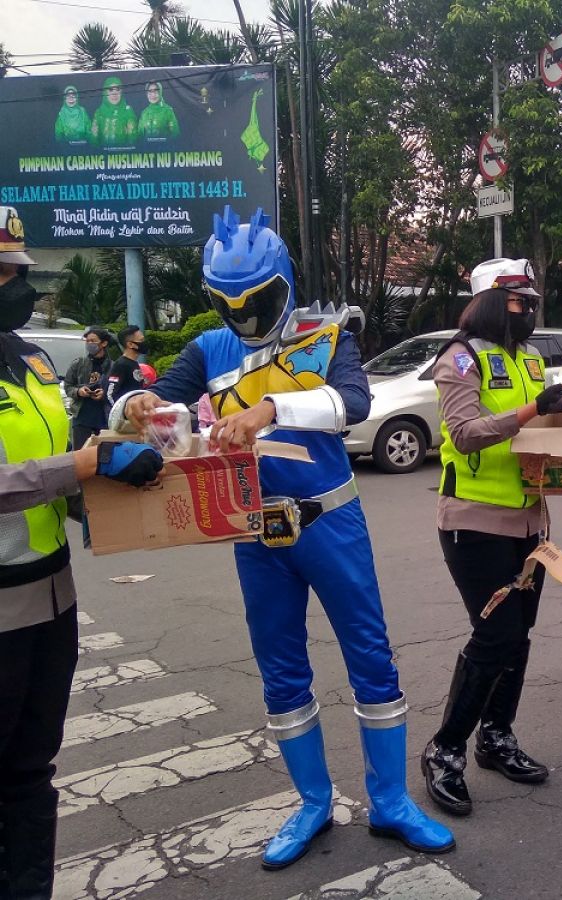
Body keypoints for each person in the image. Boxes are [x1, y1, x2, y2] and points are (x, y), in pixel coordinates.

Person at [113, 206, 454, 868]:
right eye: (229, 302)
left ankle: (390, 802)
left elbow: (353, 403)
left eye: (255, 299)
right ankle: (312, 802)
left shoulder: (325, 336)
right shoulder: (209, 349)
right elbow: (164, 407)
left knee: (370, 657)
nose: (243, 314)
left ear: (283, 284)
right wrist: (135, 405)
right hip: (256, 530)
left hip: (330, 520)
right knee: (280, 667)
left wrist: (269, 409)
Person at [0, 206, 163, 899]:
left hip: (52, 599)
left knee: (31, 773)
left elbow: (59, 456)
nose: (18, 285)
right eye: (4, 273)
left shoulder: (29, 358)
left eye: (18, 270)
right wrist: (84, 466)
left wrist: (120, 459)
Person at [422, 258, 562, 816]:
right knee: (496, 635)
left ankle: (496, 736)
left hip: (531, 520)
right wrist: (534, 408)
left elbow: (541, 434)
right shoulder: (460, 357)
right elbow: (465, 434)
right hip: (475, 520)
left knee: (519, 636)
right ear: (489, 301)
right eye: (518, 302)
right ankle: (445, 750)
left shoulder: (530, 358)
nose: (528, 311)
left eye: (532, 302)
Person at [63, 327, 112, 450]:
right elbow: (68, 386)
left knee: (103, 453)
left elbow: (117, 391)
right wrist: (78, 391)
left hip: (104, 418)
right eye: (87, 341)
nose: (90, 344)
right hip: (81, 417)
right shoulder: (79, 363)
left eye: (93, 341)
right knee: (80, 453)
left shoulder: (113, 366)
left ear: (104, 343)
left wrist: (104, 394)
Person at [90, 76, 136, 147]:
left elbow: (133, 140)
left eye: (118, 89)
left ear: (121, 92)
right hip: (103, 152)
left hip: (122, 152)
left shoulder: (128, 111)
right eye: (110, 90)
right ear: (105, 92)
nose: (115, 94)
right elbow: (93, 141)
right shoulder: (99, 112)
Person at [105, 325, 146, 406]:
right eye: (141, 340)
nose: (144, 343)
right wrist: (122, 410)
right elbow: (110, 395)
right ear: (130, 344)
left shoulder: (133, 363)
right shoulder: (121, 365)